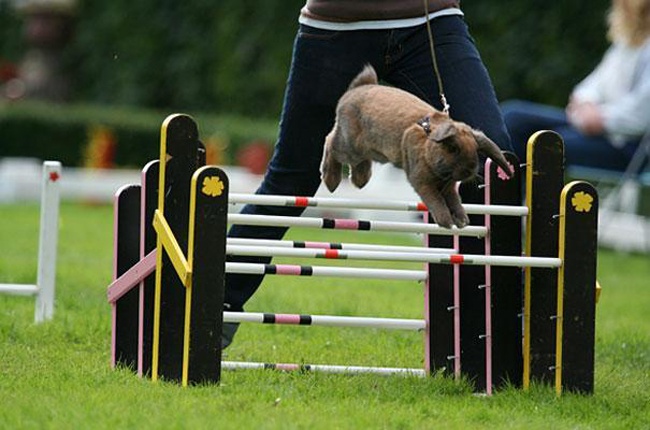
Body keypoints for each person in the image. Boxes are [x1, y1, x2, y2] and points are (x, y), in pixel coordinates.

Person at [222, 0, 514, 348]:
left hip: (431, 24)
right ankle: (215, 306)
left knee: (494, 167)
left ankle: (487, 332)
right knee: (291, 178)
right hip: (335, 28)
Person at [501, 0, 650, 172]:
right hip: (596, 128)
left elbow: (641, 115)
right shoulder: (627, 42)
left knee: (548, 146)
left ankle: (535, 199)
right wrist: (586, 104)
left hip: (629, 146)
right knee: (513, 118)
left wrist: (600, 118)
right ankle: (505, 195)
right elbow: (590, 86)